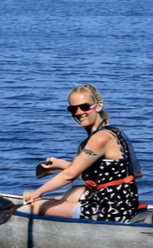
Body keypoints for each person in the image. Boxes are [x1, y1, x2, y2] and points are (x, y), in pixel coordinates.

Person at [23, 85, 141, 221]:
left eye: (84, 107)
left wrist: (37, 193)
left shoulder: (99, 138)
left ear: (98, 106)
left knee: (34, 206)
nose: (79, 112)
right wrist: (61, 164)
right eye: (73, 109)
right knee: (72, 193)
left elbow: (70, 175)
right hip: (125, 203)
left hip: (111, 210)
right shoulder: (116, 133)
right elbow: (134, 172)